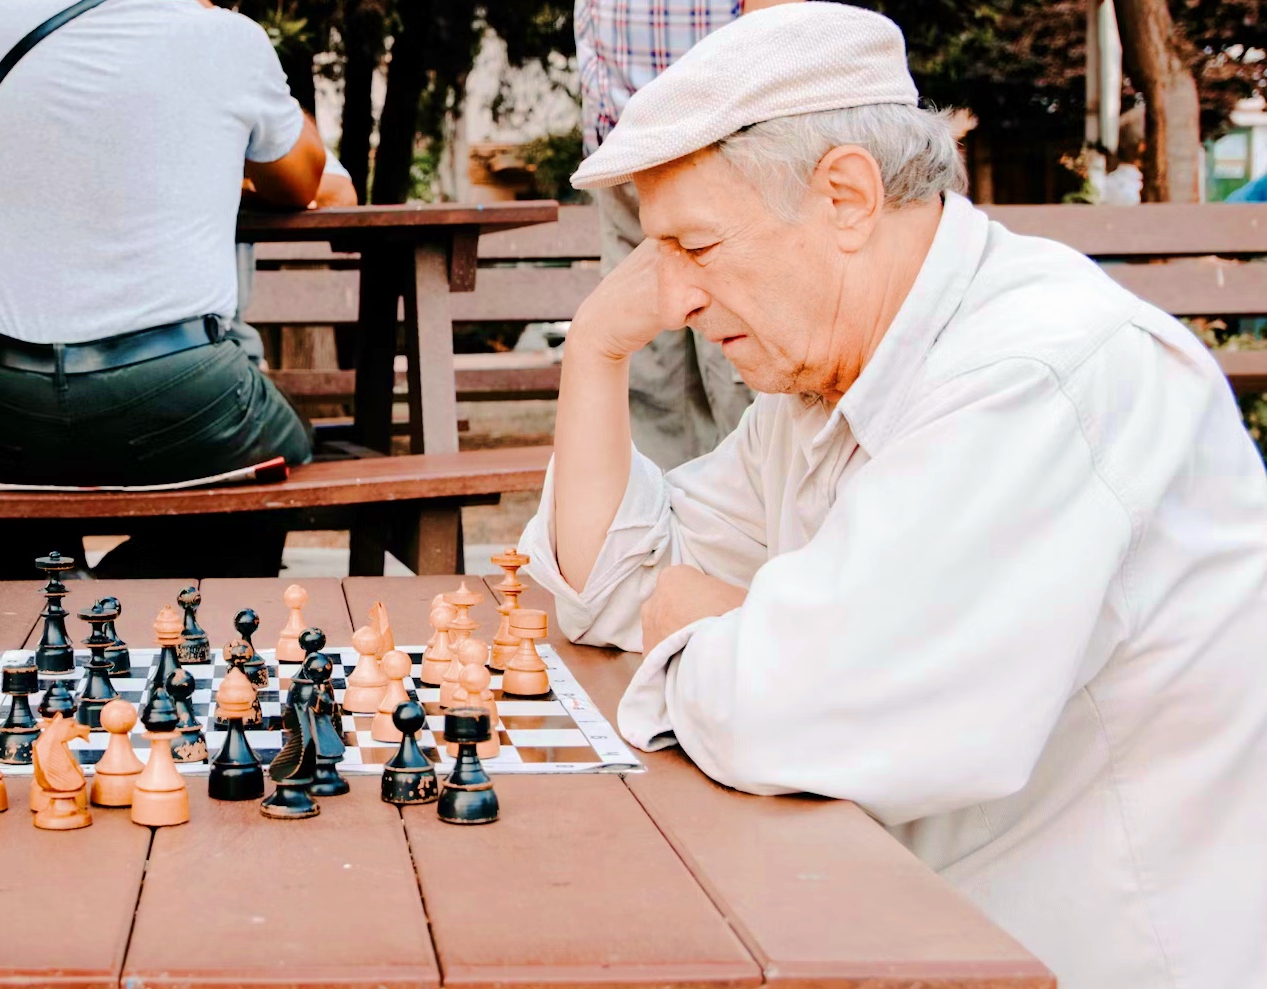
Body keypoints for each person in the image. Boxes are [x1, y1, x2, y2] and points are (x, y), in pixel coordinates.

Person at [518, 5, 1267, 987]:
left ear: (845, 197)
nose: (678, 299)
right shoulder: (829, 378)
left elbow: (799, 713)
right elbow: (610, 588)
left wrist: (718, 627)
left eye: (694, 247)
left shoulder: (1035, 374)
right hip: (910, 916)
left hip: (1084, 956)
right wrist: (595, 354)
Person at [0, 0, 328, 579]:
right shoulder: (227, 37)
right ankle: (114, 598)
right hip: (181, 393)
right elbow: (303, 179)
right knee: (279, 451)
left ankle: (54, 592)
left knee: (20, 458)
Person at [576, 0, 790, 468]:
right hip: (619, 153)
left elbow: (781, 22)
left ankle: (764, 523)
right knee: (647, 369)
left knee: (739, 363)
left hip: (720, 142)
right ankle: (660, 526)